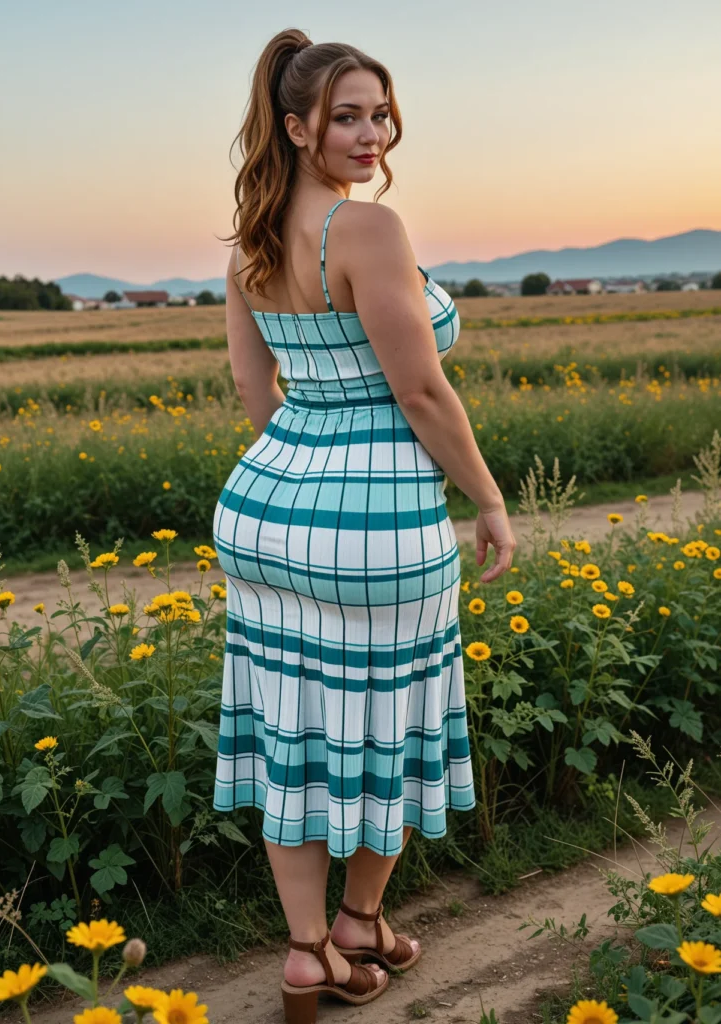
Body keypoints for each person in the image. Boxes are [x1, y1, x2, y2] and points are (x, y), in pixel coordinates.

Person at [212, 27, 516, 1024]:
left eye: (379, 112)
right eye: (346, 115)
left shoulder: (250, 244)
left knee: (290, 731)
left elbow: (256, 397)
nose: (369, 132)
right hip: (375, 518)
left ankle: (307, 954)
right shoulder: (367, 231)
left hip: (265, 506)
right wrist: (485, 496)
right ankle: (355, 923)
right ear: (297, 127)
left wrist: (306, 462)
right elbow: (421, 391)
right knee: (390, 727)